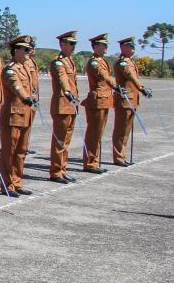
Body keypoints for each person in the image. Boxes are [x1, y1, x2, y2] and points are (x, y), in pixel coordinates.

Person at [0, 36, 37, 197]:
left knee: (22, 150)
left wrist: (31, 97)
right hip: (13, 115)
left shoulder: (25, 67)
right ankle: (7, 184)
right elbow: (16, 86)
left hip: (26, 114)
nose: (29, 52)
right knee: (9, 151)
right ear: (16, 51)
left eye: (29, 49)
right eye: (25, 49)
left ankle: (17, 181)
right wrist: (26, 97)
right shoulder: (10, 69)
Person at [82, 33, 120, 173]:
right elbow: (104, 76)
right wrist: (115, 85)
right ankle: (90, 162)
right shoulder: (94, 62)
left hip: (104, 100)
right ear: (96, 46)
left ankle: (94, 160)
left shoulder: (102, 61)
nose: (106, 48)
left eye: (106, 45)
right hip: (97, 101)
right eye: (103, 45)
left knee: (98, 133)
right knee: (93, 133)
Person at [112, 36, 152, 166]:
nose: (132, 48)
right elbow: (131, 76)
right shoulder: (123, 63)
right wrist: (142, 88)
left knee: (126, 130)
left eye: (133, 46)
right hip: (124, 100)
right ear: (123, 48)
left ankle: (122, 155)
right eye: (130, 46)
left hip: (132, 100)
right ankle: (118, 157)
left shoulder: (130, 61)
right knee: (121, 130)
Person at [48, 31, 80, 184]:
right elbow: (62, 78)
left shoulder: (70, 61)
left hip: (70, 105)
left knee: (66, 141)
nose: (74, 47)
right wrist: (67, 92)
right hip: (62, 104)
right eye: (71, 44)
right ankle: (55, 171)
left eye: (75, 44)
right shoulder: (58, 62)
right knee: (59, 141)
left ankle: (62, 169)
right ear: (62, 44)